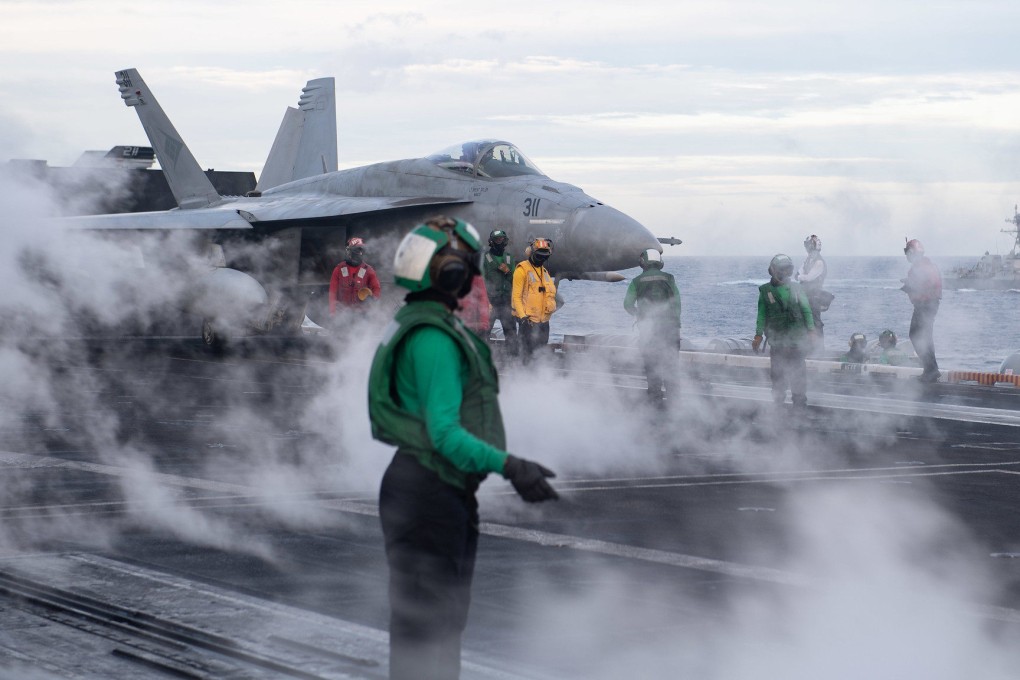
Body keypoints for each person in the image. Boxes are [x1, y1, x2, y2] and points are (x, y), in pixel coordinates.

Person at [368, 216, 559, 680]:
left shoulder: (417, 322)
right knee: (432, 627)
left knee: (426, 624)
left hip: (422, 488)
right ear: (449, 272)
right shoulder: (433, 338)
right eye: (466, 266)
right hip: (431, 493)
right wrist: (510, 466)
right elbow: (444, 434)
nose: (473, 275)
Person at [753, 254, 816, 407]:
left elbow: (806, 310)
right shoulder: (765, 291)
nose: (785, 273)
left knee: (798, 376)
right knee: (778, 376)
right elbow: (761, 315)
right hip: (777, 343)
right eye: (782, 269)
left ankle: (799, 406)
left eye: (788, 270)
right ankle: (778, 406)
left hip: (796, 342)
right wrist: (758, 335)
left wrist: (811, 331)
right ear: (773, 270)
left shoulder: (797, 288)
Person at [623, 248, 682, 405]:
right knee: (671, 366)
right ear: (659, 262)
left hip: (649, 332)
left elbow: (627, 304)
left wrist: (640, 315)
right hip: (670, 330)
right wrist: (676, 324)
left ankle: (655, 401)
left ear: (643, 262)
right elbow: (677, 303)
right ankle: (675, 403)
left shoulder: (637, 281)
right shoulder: (669, 278)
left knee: (652, 366)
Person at [901, 238, 942, 382]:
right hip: (927, 305)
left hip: (925, 305)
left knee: (917, 335)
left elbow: (924, 286)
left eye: (907, 252)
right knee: (924, 336)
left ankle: (931, 370)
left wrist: (909, 285)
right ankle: (931, 369)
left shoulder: (921, 267)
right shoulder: (927, 265)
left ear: (913, 252)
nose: (906, 256)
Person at [512, 237, 557, 363]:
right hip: (528, 321)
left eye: (544, 257)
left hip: (544, 322)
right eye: (539, 256)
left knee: (540, 355)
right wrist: (523, 317)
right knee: (526, 355)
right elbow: (516, 297)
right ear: (530, 253)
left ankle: (539, 374)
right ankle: (523, 374)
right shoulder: (521, 270)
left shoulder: (545, 272)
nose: (541, 259)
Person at [482, 229, 517, 353]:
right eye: (497, 240)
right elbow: (481, 281)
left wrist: (508, 271)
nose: (500, 242)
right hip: (491, 301)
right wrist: (486, 301)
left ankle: (513, 358)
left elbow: (515, 280)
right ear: (492, 242)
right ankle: (483, 357)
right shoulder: (485, 258)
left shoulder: (509, 258)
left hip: (506, 301)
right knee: (485, 331)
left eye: (502, 239)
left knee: (511, 331)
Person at [329, 237, 381, 316]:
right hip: (342, 315)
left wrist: (373, 298)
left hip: (362, 315)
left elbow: (376, 288)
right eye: (356, 250)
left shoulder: (368, 270)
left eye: (361, 250)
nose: (359, 253)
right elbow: (332, 292)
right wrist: (333, 313)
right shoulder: (339, 269)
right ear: (349, 252)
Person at [796, 234, 831, 349]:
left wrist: (800, 276)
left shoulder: (819, 262)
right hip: (806, 296)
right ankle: (807, 347)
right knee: (804, 321)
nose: (806, 248)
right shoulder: (809, 259)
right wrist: (801, 276)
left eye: (808, 245)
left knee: (815, 322)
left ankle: (818, 349)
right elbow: (799, 272)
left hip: (814, 297)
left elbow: (808, 277)